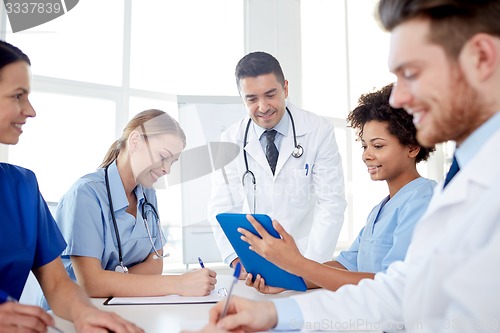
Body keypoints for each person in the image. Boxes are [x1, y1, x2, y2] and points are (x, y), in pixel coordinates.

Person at [186, 0, 500, 332]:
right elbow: (400, 292)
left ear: (480, 57)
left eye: (412, 73)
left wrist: (299, 265)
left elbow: (333, 207)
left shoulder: (447, 190)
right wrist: (275, 313)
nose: (397, 99)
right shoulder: (464, 181)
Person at [0, 40, 142, 332]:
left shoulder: (22, 188)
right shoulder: (86, 191)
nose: (30, 110)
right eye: (18, 96)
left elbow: (57, 283)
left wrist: (83, 313)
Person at [242, 83, 436, 294]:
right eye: (364, 146)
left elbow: (392, 283)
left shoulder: (423, 201)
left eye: (377, 146)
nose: (366, 155)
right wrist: (286, 279)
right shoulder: (380, 210)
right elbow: (345, 266)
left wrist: (296, 263)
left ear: (412, 147)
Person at [208, 51, 346, 276]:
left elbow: (331, 203)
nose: (263, 107)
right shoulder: (231, 140)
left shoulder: (318, 131)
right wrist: (237, 261)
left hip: (307, 257)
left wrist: (309, 269)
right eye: (251, 99)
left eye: (270, 94)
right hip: (255, 264)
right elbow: (222, 207)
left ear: (286, 89)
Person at [54, 109, 217, 299]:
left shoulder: (148, 195)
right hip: (70, 313)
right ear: (135, 141)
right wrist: (179, 283)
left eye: (172, 162)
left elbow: (155, 265)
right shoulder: (86, 194)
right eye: (163, 156)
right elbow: (91, 283)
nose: (166, 169)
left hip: (119, 307)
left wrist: (110, 282)